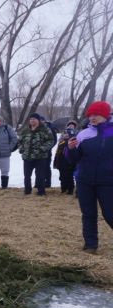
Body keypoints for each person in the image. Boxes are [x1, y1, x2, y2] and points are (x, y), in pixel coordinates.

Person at [64, 101, 113, 254]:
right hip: (84, 180)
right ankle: (91, 245)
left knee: (110, 213)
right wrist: (70, 149)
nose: (92, 118)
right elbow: (73, 159)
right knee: (88, 213)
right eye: (90, 115)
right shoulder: (84, 134)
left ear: (105, 115)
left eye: (96, 115)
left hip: (108, 181)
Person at [18, 113, 55, 195]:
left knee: (40, 176)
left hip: (40, 157)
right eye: (31, 119)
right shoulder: (25, 130)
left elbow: (51, 140)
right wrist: (21, 149)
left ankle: (41, 192)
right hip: (27, 157)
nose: (32, 121)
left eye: (34, 119)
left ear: (38, 120)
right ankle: (27, 191)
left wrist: (43, 148)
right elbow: (20, 141)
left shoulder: (45, 129)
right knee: (27, 176)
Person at [54, 120, 78, 195]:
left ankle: (70, 189)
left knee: (69, 175)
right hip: (61, 158)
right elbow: (59, 145)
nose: (71, 126)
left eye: (72, 125)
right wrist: (63, 139)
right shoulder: (63, 135)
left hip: (70, 158)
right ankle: (63, 189)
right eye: (69, 125)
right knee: (62, 175)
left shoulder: (77, 134)